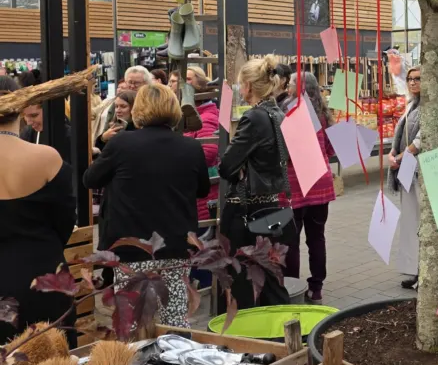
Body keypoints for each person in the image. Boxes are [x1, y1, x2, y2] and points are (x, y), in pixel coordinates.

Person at [83, 84, 210, 328]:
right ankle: (176, 350)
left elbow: (90, 179)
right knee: (175, 320)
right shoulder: (191, 147)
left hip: (131, 245)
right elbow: (202, 189)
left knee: (131, 322)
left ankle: (134, 353)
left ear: (138, 109)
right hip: (175, 244)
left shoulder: (122, 143)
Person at [0, 76, 77, 347]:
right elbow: (65, 221)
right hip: (45, 275)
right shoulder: (47, 158)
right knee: (54, 361)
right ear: (22, 106)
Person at [218, 54, 291, 312]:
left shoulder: (253, 117)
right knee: (270, 276)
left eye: (241, 84)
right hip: (272, 206)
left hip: (246, 209)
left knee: (242, 279)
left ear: (248, 85)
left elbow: (226, 166)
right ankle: (281, 328)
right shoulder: (279, 113)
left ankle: (246, 330)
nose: (240, 89)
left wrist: (239, 167)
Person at [283, 72, 335, 303]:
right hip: (320, 183)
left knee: (291, 240)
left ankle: (291, 286)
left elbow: (285, 150)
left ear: (300, 88)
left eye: (291, 84)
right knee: (317, 238)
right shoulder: (323, 114)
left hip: (295, 184)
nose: (287, 87)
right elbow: (331, 149)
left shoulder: (290, 112)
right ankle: (316, 288)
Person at [388, 66, 423, 289]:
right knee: (410, 220)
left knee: (422, 220)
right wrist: (393, 153)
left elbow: (421, 139)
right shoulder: (411, 105)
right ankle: (413, 269)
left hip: (420, 169)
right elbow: (401, 134)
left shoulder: (429, 107)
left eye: (418, 79)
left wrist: (400, 156)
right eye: (410, 79)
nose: (412, 82)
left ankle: (427, 270)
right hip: (407, 167)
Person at [185, 65, 220, 226]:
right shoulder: (192, 116)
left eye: (187, 79)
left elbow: (208, 153)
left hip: (201, 194)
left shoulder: (205, 118)